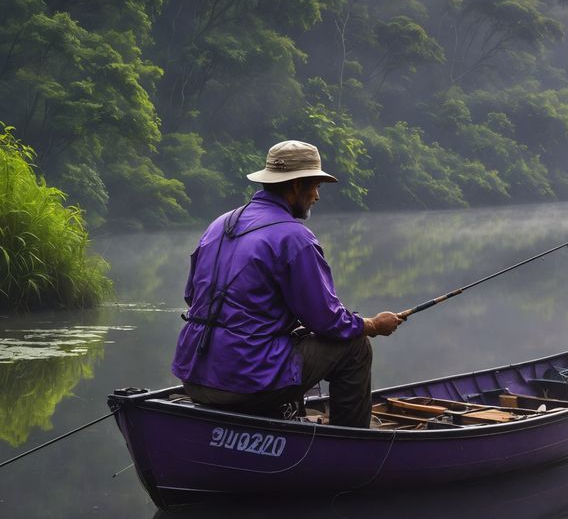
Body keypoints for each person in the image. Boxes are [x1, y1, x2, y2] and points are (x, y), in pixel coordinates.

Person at [173, 140, 404, 427]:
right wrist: (372, 325)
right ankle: (352, 440)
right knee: (355, 346)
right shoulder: (295, 237)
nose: (317, 196)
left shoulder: (220, 224)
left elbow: (192, 297)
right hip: (245, 383)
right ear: (295, 186)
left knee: (293, 335)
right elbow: (328, 320)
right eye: (315, 186)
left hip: (193, 375)